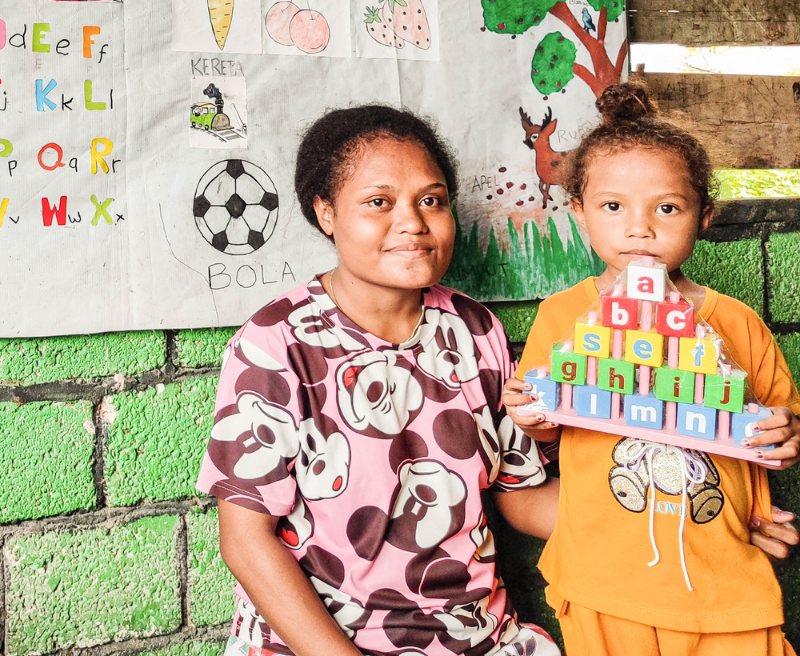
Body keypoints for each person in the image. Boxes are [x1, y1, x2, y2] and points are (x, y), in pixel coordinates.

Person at [197, 104, 563, 656]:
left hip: (476, 639)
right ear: (326, 213)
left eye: (431, 201)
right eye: (378, 202)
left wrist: (663, 493)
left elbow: (520, 497)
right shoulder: (277, 343)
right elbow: (246, 542)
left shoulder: (476, 330)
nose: (413, 222)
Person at [505, 82, 800, 656]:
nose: (639, 228)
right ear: (580, 214)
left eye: (666, 208)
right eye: (613, 207)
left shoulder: (738, 324)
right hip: (601, 585)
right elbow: (544, 426)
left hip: (727, 586)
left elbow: (781, 431)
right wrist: (530, 411)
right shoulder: (562, 315)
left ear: (703, 215)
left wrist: (783, 436)